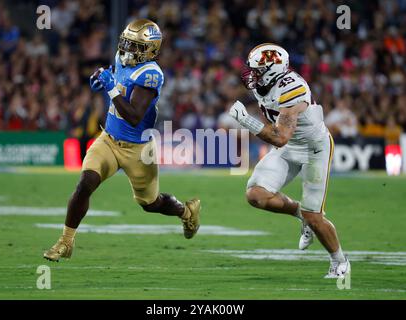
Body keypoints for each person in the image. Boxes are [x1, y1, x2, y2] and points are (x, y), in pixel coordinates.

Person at [44, 19, 201, 262]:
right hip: (108, 139)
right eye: (127, 42)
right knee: (85, 183)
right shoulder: (121, 57)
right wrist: (101, 79)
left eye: (135, 45)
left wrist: (111, 89)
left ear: (150, 49)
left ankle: (185, 211)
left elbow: (134, 116)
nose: (128, 49)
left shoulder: (150, 74)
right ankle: (66, 241)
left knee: (150, 203)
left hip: (138, 149)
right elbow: (115, 78)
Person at [229, 43, 350, 278]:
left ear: (272, 70)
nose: (251, 75)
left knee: (316, 216)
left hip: (313, 149)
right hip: (289, 146)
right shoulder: (265, 84)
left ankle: (340, 262)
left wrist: (246, 121)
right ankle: (300, 214)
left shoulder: (293, 88)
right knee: (256, 194)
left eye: (257, 70)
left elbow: (281, 137)